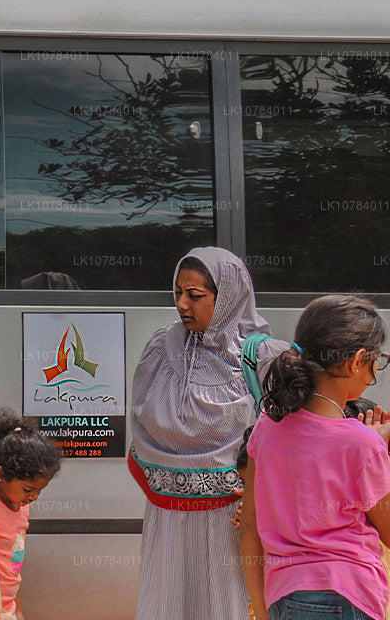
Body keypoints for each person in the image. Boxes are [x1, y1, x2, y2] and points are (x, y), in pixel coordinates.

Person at [130, 247, 285, 620]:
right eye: (178, 293)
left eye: (195, 295)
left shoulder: (263, 360)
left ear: (229, 296)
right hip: (166, 516)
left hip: (232, 521)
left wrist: (260, 499)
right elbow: (140, 421)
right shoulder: (160, 347)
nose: (183, 304)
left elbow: (290, 441)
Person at [240, 295, 390, 620]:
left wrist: (264, 611)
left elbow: (249, 530)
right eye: (378, 360)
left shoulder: (267, 427)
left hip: (282, 594)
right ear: (357, 361)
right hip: (348, 594)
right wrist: (377, 451)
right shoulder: (363, 444)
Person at [0, 409, 61, 620]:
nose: (34, 497)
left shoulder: (22, 507)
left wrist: (17, 610)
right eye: (28, 489)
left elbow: (10, 568)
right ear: (0, 474)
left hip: (5, 609)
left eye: (39, 490)